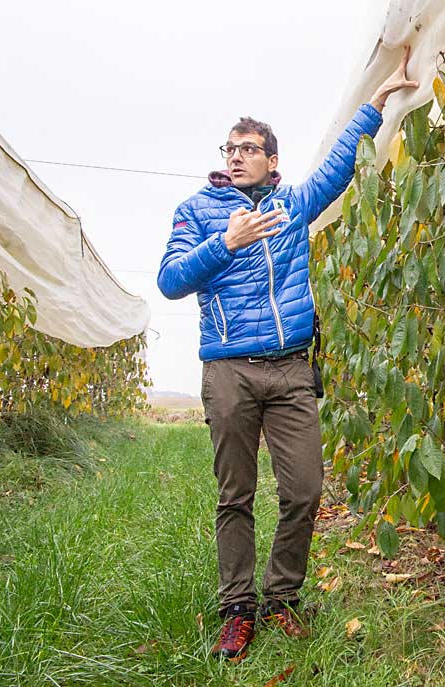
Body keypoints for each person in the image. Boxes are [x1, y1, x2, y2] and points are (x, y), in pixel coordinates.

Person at [157, 48, 418, 662]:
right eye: (230, 149)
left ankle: (282, 597)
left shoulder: (290, 208)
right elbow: (170, 280)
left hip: (292, 368)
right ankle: (237, 610)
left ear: (271, 161)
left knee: (304, 490)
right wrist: (224, 243)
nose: (237, 157)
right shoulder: (197, 211)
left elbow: (336, 171)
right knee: (236, 495)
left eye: (249, 149)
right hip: (229, 371)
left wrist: (373, 108)